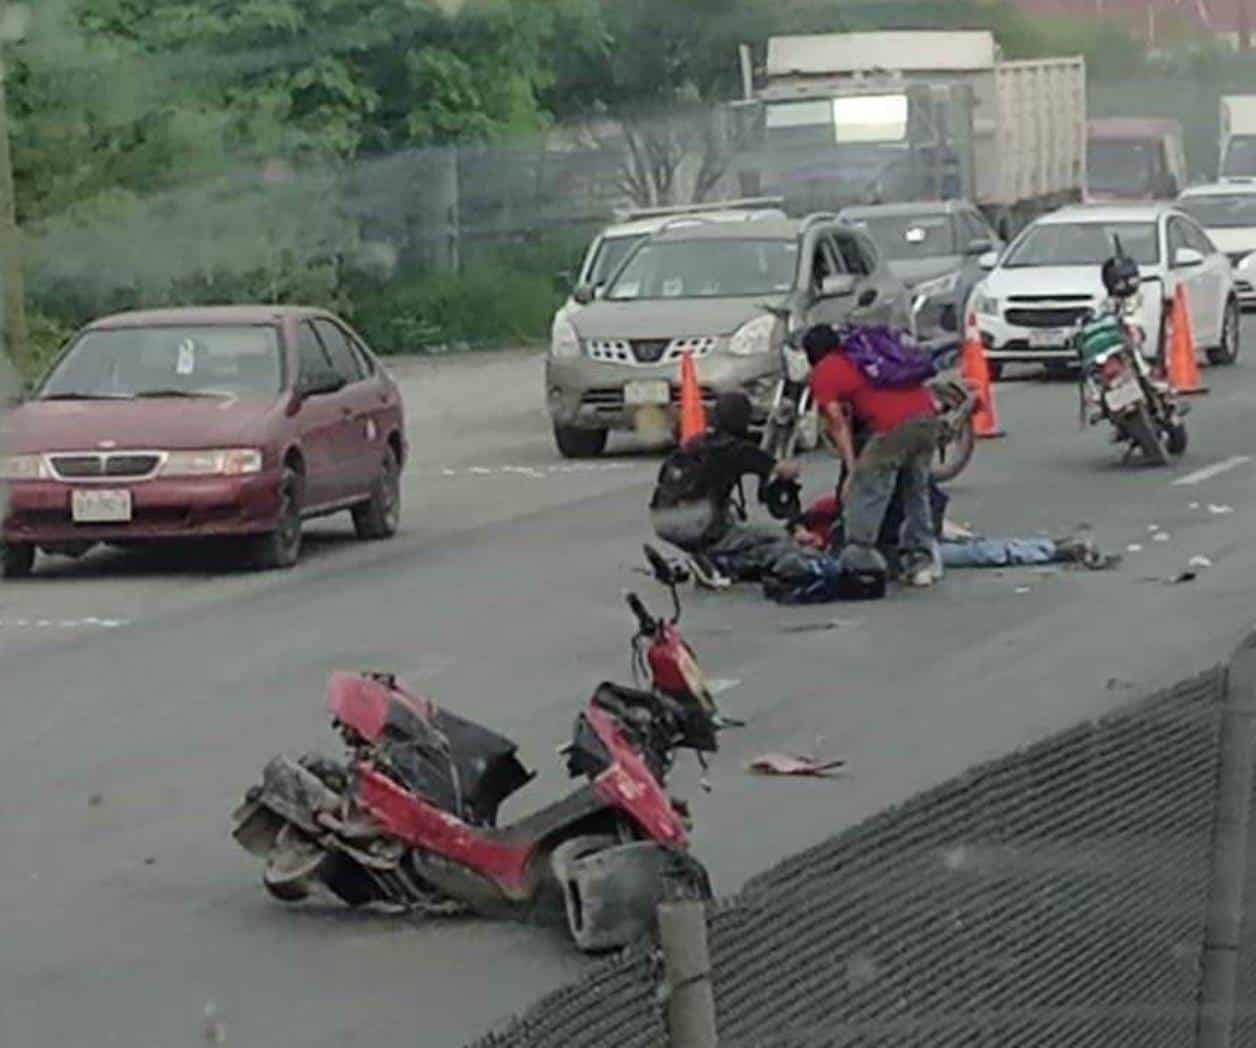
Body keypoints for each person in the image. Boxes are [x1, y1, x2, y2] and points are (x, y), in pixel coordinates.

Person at [803, 323, 941, 588]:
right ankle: (921, 562)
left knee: (867, 491)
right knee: (916, 491)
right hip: (927, 418)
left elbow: (836, 421)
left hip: (892, 427)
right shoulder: (863, 354)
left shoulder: (825, 371)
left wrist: (852, 469)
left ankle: (859, 556)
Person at [650, 392, 801, 588]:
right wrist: (792, 463)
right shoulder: (737, 449)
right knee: (776, 537)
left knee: (730, 517)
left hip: (661, 518)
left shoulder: (696, 442)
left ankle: (694, 559)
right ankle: (717, 563)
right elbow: (784, 470)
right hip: (698, 523)